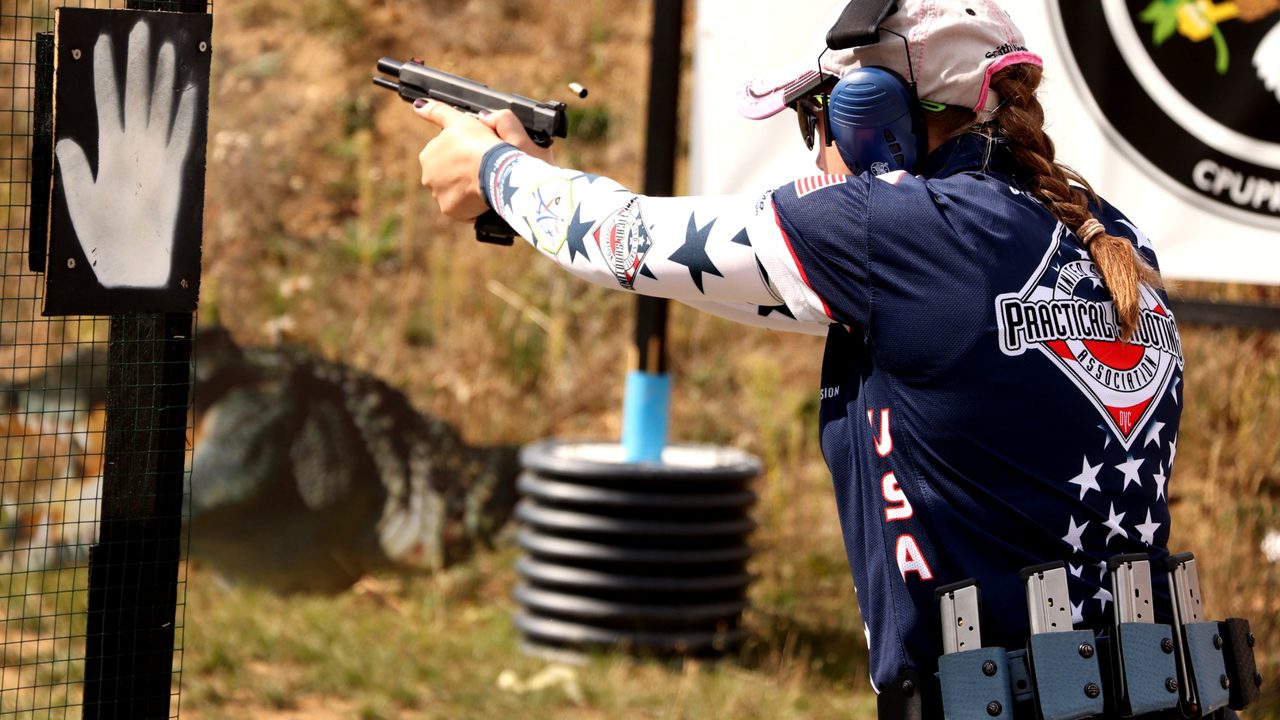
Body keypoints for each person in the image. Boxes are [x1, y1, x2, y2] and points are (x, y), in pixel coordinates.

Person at [414, 0, 1189, 715]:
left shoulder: (905, 234)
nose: (815, 147)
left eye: (821, 115)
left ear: (877, 116)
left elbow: (628, 241)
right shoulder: (1109, 239)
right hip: (1147, 692)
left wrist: (493, 173)